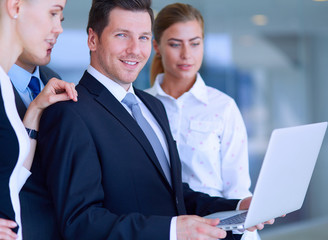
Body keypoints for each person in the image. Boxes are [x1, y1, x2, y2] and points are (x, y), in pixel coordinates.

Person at [32, 0, 274, 239]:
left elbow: (175, 196)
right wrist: (171, 230)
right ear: (93, 39)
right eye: (122, 35)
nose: (135, 50)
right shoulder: (69, 112)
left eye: (144, 37)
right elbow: (80, 223)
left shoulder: (152, 106)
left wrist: (238, 207)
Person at [146, 3, 259, 239]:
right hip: (167, 230)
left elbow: (236, 188)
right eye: (175, 44)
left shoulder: (223, 107)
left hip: (220, 227)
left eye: (195, 43)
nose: (187, 54)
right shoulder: (141, 106)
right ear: (156, 46)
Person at [0, 0, 77, 239]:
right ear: (15, 7)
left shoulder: (6, 82)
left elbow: (15, 176)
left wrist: (35, 110)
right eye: (53, 13)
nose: (59, 28)